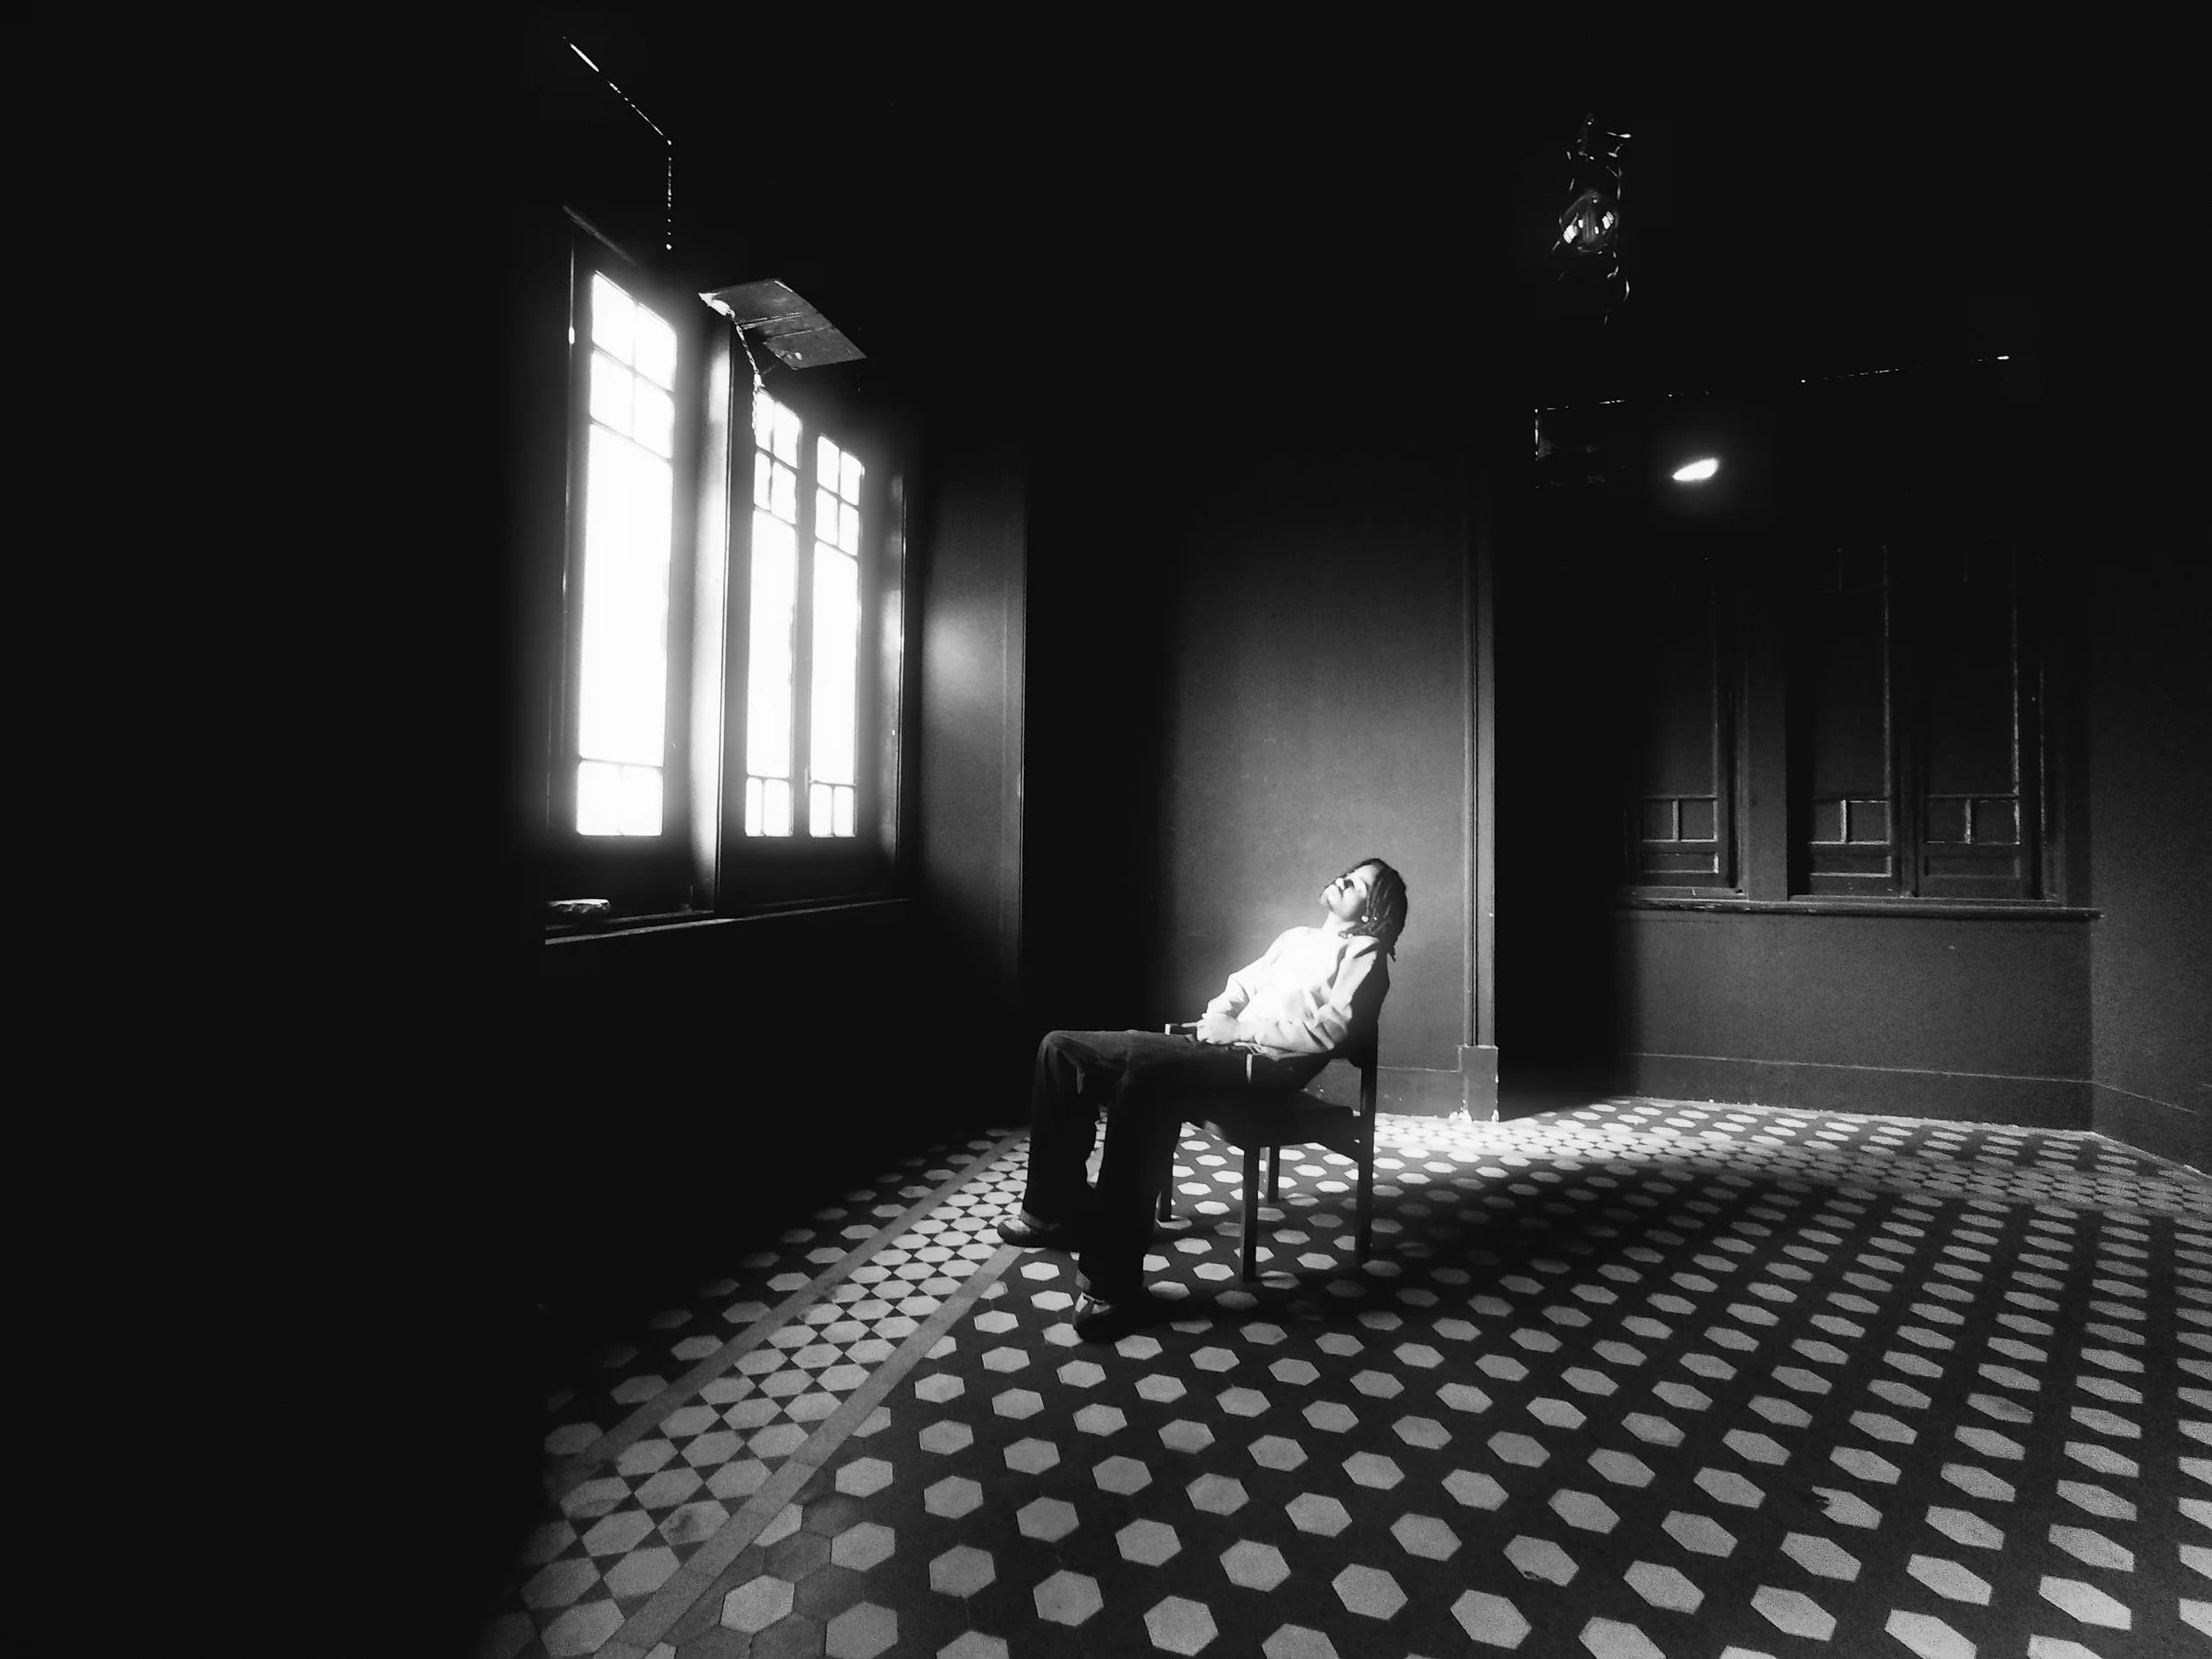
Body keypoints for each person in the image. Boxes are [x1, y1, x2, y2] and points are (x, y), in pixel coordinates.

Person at [1001, 857, 1409, 1339]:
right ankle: (1053, 1212)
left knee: (1146, 1082)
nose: (1342, 879)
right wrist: (1216, 1021)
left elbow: (1332, 1030)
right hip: (1217, 1045)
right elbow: (1242, 983)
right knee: (1060, 1049)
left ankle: (1111, 1283)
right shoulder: (1296, 938)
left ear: (1371, 911)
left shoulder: (1365, 954)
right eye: (1347, 873)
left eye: (1357, 884)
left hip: (1263, 1065)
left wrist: (1239, 1030)